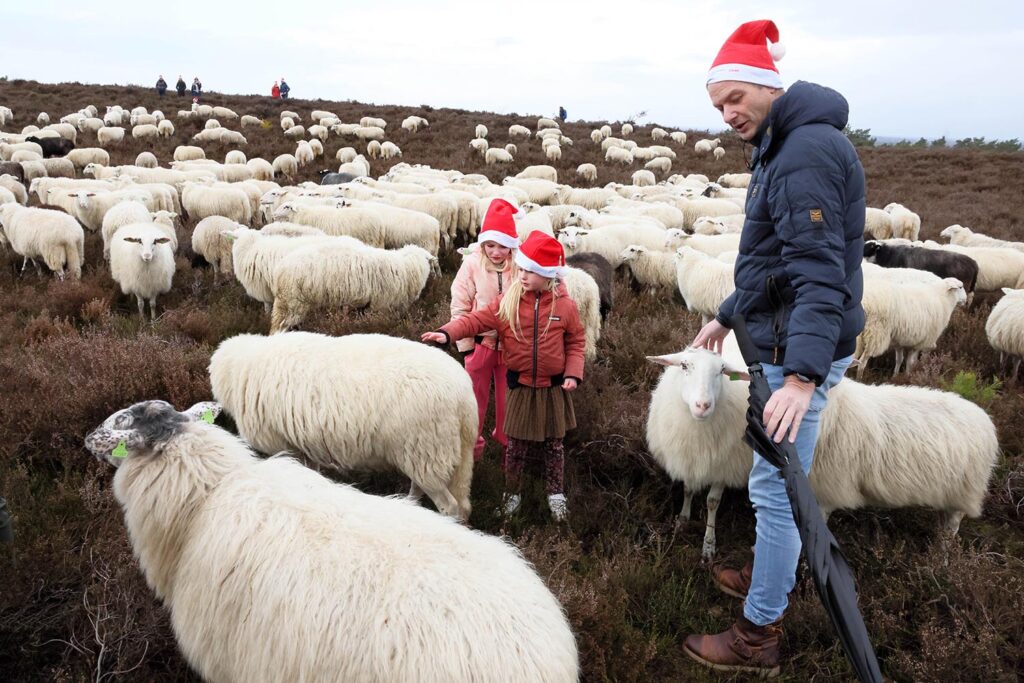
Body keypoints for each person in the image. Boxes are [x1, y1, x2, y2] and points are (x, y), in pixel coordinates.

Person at [682, 19, 865, 678]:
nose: (729, 113)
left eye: (736, 97)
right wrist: (729, 315)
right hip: (779, 340)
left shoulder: (803, 153)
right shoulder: (781, 144)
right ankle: (770, 567)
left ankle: (759, 633)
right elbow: (773, 261)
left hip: (796, 353)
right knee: (775, 484)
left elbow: (818, 275)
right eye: (718, 104)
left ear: (766, 85)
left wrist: (803, 378)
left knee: (777, 492)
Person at [421, 231, 585, 521]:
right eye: (520, 268)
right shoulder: (507, 302)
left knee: (554, 445)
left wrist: (572, 373)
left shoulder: (565, 306)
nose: (522, 275)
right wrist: (447, 333)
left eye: (530, 271)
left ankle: (555, 493)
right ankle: (513, 493)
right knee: (516, 444)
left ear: (547, 275)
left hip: (553, 388)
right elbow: (476, 320)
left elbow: (575, 342)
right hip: (520, 385)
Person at [448, 199, 520, 463]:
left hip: (512, 349)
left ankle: (507, 455)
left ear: (512, 245)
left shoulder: (519, 267)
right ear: (482, 244)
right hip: (481, 345)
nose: (496, 252)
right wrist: (466, 346)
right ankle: (471, 456)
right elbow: (461, 303)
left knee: (509, 404)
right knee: (473, 405)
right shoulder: (472, 265)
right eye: (490, 245)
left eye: (503, 246)